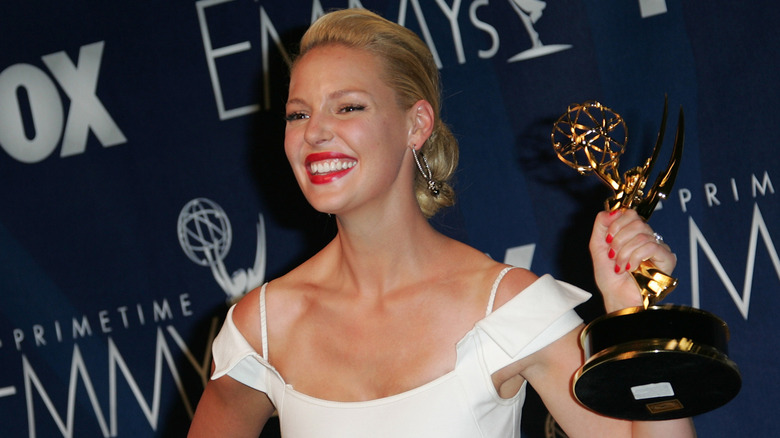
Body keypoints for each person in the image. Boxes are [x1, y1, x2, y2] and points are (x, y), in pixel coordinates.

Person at [188, 8, 695, 438]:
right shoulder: (266, 327)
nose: (316, 131)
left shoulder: (508, 308)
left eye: (348, 107)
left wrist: (639, 320)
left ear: (417, 124)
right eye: (298, 115)